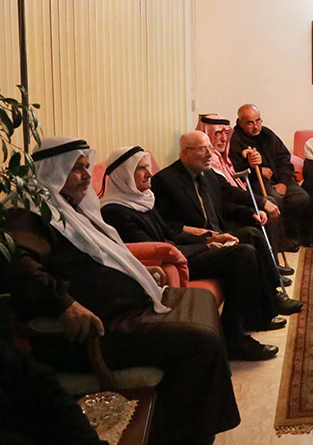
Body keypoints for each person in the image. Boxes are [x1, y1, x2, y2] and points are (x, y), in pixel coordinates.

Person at [4, 136, 240, 445]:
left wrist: (139, 274)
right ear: (53, 172)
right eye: (76, 169)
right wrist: (64, 304)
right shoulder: (29, 216)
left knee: (202, 300)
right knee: (201, 341)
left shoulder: (70, 209)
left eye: (87, 167)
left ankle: (190, 426)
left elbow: (107, 255)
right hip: (98, 330)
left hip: (125, 312)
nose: (86, 176)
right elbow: (20, 267)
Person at [100, 146, 291, 360]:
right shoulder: (115, 210)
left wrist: (209, 238)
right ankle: (234, 339)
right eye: (141, 169)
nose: (149, 173)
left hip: (179, 253)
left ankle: (254, 316)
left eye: (148, 167)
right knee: (242, 255)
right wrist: (206, 246)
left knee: (244, 242)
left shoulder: (141, 199)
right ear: (124, 174)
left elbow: (169, 232)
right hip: (168, 266)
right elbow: (154, 250)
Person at [151, 131, 302, 310]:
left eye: (210, 148)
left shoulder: (208, 174)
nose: (209, 154)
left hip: (219, 234)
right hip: (196, 245)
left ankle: (274, 293)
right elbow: (165, 225)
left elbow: (224, 202)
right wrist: (200, 234)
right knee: (245, 252)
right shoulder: (165, 180)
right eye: (202, 149)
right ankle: (264, 307)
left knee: (252, 233)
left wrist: (252, 212)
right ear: (185, 152)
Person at [197, 113, 294, 267]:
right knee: (267, 204)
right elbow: (227, 191)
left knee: (270, 203)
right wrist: (259, 203)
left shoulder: (222, 155)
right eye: (218, 133)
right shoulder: (208, 160)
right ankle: (271, 265)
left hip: (234, 202)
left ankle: (273, 261)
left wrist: (256, 165)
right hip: (223, 214)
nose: (224, 139)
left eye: (226, 133)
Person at [229, 103, 312, 246]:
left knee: (301, 198)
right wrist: (256, 169)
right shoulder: (234, 140)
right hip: (254, 181)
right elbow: (233, 170)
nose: (256, 127)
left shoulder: (267, 134)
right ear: (240, 123)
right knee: (274, 200)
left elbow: (284, 159)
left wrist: (283, 183)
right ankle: (279, 240)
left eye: (258, 121)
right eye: (250, 123)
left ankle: (293, 234)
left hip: (279, 178)